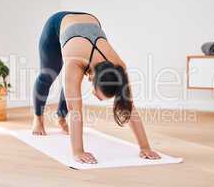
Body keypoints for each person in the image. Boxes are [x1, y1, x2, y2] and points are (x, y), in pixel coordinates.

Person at [32, 11, 161, 164]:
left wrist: (144, 147)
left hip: (89, 23)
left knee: (71, 85)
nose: (99, 100)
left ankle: (60, 118)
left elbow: (129, 106)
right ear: (93, 79)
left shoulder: (119, 67)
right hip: (57, 25)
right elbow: (75, 109)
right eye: (101, 96)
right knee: (48, 75)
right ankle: (38, 118)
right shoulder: (75, 60)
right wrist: (78, 151)